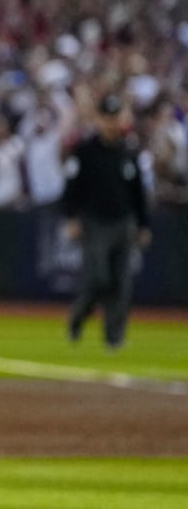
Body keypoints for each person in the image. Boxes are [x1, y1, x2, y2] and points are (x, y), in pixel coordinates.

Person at [63, 94, 151, 349]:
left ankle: (114, 337)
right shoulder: (85, 150)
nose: (112, 122)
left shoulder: (129, 151)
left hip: (124, 222)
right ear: (98, 119)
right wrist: (71, 218)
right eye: (107, 117)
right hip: (94, 222)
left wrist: (143, 224)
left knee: (122, 283)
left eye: (116, 116)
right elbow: (72, 187)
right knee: (99, 277)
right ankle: (78, 318)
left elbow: (139, 193)